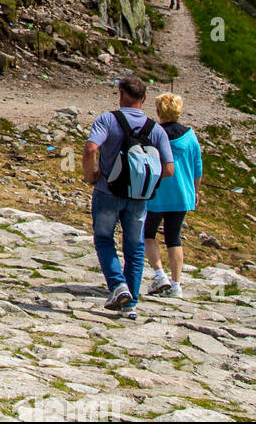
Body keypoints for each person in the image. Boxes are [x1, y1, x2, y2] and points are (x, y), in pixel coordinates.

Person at [83, 76, 175, 314]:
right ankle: (130, 305)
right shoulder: (155, 130)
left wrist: (91, 175)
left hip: (107, 191)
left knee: (104, 239)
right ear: (144, 99)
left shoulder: (107, 119)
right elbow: (168, 169)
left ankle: (117, 285)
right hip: (139, 197)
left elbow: (91, 148)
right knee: (134, 248)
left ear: (120, 93)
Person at [145, 93, 203, 299]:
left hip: (156, 193)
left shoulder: (154, 133)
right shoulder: (190, 135)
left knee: (148, 233)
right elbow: (198, 166)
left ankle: (159, 275)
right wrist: (195, 191)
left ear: (159, 111)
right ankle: (176, 284)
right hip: (182, 194)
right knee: (174, 237)